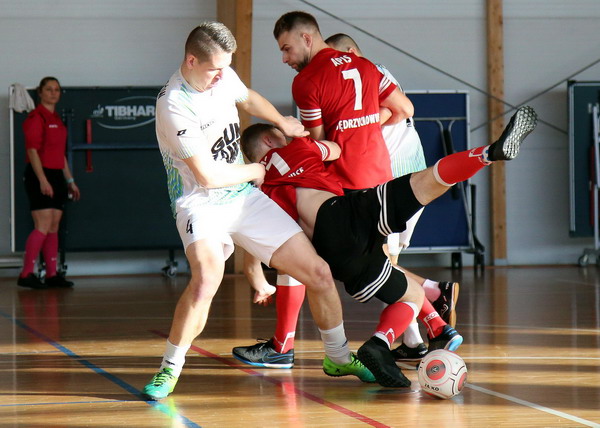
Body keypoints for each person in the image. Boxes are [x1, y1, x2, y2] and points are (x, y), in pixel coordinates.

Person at [142, 22, 375, 402]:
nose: (222, 77)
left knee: (318, 273)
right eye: (215, 69)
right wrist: (255, 170)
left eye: (226, 68)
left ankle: (338, 358)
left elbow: (247, 97)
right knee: (206, 280)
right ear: (191, 61)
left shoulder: (221, 75)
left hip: (243, 198)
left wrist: (282, 122)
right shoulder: (174, 106)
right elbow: (207, 176)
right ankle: (170, 367)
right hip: (200, 202)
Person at [237, 104, 537, 387]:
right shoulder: (297, 147)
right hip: (345, 210)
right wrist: (301, 135)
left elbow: (262, 244)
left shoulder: (258, 190)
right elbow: (334, 149)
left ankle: (382, 344)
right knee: (424, 183)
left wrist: (258, 279)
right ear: (270, 139)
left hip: (333, 252)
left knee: (411, 293)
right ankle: (488, 153)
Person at [325, 33, 460, 360]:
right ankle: (419, 331)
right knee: (383, 262)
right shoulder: (366, 74)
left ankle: (435, 318)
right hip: (401, 176)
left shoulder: (367, 72)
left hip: (393, 178)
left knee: (380, 265)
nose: (333, 64)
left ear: (351, 51)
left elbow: (398, 109)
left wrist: (356, 129)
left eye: (337, 56)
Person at [18, 77, 80, 289]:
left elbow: (59, 154)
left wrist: (70, 180)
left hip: (56, 175)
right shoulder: (36, 118)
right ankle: (26, 273)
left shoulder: (57, 119)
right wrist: (43, 180)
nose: (53, 93)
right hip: (39, 174)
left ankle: (52, 275)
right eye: (49, 89)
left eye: (57, 90)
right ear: (40, 92)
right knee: (43, 224)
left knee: (54, 225)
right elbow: (32, 151)